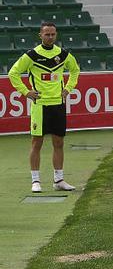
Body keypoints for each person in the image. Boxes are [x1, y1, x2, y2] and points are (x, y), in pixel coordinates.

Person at [8, 22, 80, 192]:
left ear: (56, 35)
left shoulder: (63, 55)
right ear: (40, 35)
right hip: (39, 106)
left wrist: (68, 88)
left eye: (53, 34)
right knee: (36, 143)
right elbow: (13, 73)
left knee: (58, 142)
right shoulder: (31, 55)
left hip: (58, 105)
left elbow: (75, 70)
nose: (50, 37)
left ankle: (59, 180)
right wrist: (26, 92)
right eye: (46, 34)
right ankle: (35, 181)